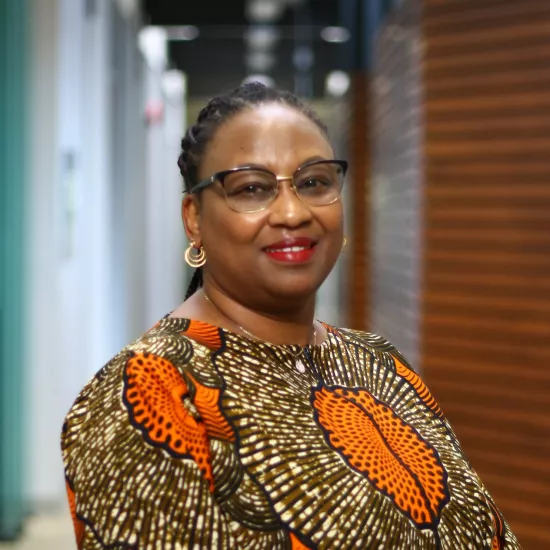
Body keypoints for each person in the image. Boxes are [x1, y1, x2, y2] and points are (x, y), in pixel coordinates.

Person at [61, 82, 520, 549]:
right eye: (252, 188)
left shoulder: (379, 362)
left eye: (313, 182)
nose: (292, 212)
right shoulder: (148, 392)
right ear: (194, 218)